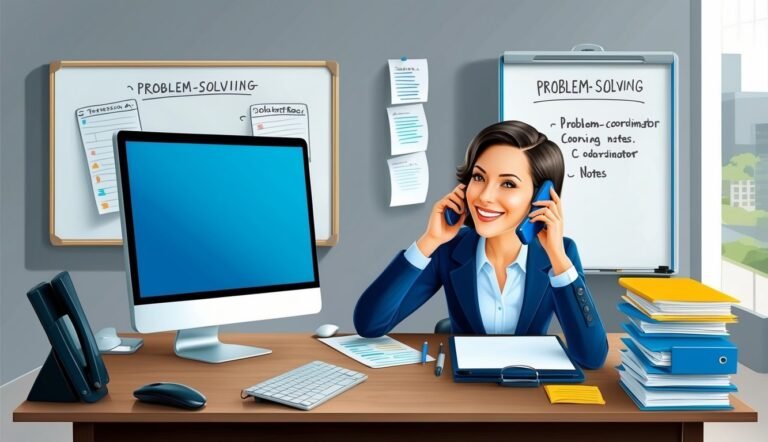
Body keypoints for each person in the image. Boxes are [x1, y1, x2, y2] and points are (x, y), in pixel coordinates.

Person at [353, 120, 608, 369]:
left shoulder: (560, 255)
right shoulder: (449, 249)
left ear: (541, 197)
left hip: (529, 392)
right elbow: (370, 324)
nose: (485, 196)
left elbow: (591, 356)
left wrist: (558, 258)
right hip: (463, 392)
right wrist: (430, 240)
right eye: (478, 177)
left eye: (508, 184)